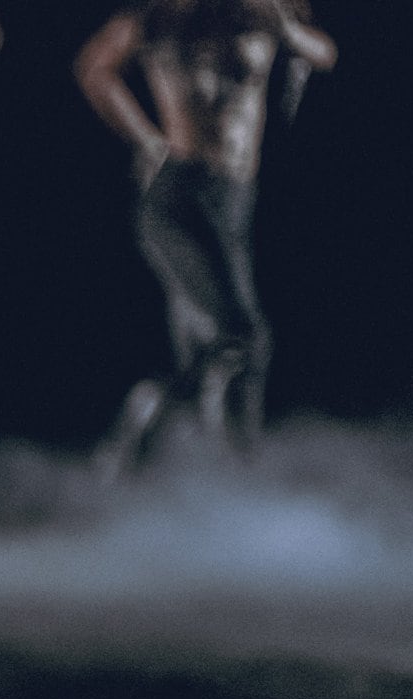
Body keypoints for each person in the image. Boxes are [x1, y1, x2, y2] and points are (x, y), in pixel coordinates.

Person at [76, 0, 336, 472]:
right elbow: (93, 67)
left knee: (209, 351)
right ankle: (212, 452)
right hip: (179, 199)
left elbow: (324, 53)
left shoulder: (261, 11)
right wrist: (146, 139)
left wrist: (290, 34)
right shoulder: (161, 15)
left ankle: (166, 458)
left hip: (235, 199)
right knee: (244, 336)